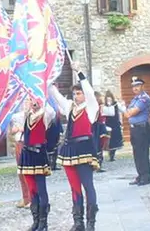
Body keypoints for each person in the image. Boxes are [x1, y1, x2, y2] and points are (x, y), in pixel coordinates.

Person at [51, 70, 100, 231]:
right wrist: (47, 78)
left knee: (88, 185)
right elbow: (55, 94)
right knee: (74, 187)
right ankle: (78, 222)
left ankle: (90, 222)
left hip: (84, 149)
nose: (76, 96)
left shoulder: (91, 107)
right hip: (69, 149)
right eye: (74, 93)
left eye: (79, 93)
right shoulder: (70, 107)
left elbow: (90, 93)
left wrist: (79, 72)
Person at [17, 96, 55, 231]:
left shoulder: (45, 115)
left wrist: (43, 96)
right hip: (27, 155)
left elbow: (51, 111)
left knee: (41, 189)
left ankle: (43, 223)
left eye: (36, 100)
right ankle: (36, 221)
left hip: (38, 154)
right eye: (30, 100)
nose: (33, 103)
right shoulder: (25, 116)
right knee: (32, 189)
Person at [124, 76, 150, 186]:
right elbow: (127, 113)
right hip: (134, 128)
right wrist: (128, 112)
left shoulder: (143, 98)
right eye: (133, 86)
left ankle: (145, 176)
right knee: (137, 153)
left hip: (141, 128)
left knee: (143, 153)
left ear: (142, 86)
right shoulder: (135, 99)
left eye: (137, 86)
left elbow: (130, 113)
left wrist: (127, 111)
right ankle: (140, 175)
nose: (135, 88)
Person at [8, 104, 31, 209]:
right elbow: (11, 131)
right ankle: (25, 197)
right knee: (21, 173)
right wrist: (16, 129)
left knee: (29, 173)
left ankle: (31, 198)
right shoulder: (17, 116)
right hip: (19, 144)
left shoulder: (36, 115)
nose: (26, 103)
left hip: (29, 145)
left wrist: (24, 128)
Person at [102, 91, 124, 161]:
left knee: (115, 140)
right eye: (108, 99)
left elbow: (123, 110)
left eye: (110, 99)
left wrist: (123, 105)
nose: (109, 101)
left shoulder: (116, 104)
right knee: (108, 141)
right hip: (108, 125)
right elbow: (107, 114)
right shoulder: (104, 106)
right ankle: (109, 155)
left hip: (115, 125)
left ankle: (112, 156)